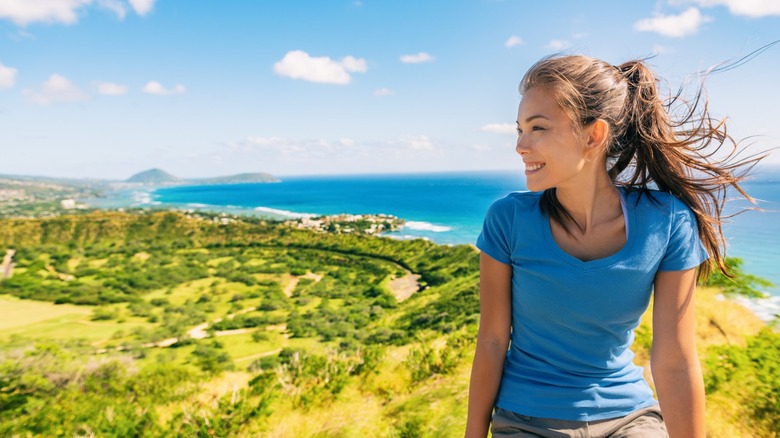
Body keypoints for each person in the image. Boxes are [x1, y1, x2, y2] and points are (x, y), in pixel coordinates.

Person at [465, 54, 764, 438]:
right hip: (526, 420)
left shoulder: (668, 221)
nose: (521, 145)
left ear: (594, 135)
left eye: (537, 128)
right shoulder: (508, 219)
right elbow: (491, 340)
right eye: (519, 130)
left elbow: (675, 359)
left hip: (630, 419)